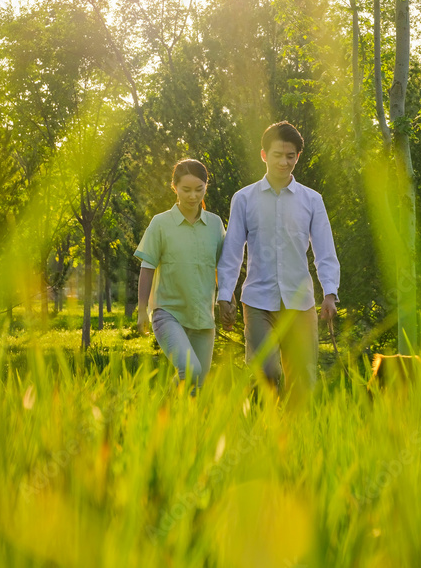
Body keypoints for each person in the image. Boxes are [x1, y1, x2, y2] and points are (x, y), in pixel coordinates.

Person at [217, 121, 339, 401]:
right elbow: (232, 251)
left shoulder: (312, 200)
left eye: (290, 156)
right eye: (277, 155)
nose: (284, 162)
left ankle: (296, 438)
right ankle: (262, 434)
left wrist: (330, 292)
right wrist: (225, 294)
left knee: (303, 377)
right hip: (259, 301)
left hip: (300, 302)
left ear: (297, 157)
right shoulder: (244, 199)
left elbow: (325, 251)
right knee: (266, 372)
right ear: (264, 155)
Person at [135, 159, 226, 391]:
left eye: (199, 189)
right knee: (191, 371)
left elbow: (222, 266)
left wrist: (228, 299)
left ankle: (174, 422)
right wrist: (142, 309)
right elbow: (147, 268)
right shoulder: (161, 223)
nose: (193, 196)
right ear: (174, 187)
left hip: (204, 318)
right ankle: (159, 410)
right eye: (186, 190)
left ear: (206, 186)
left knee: (196, 386)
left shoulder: (215, 225)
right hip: (168, 313)